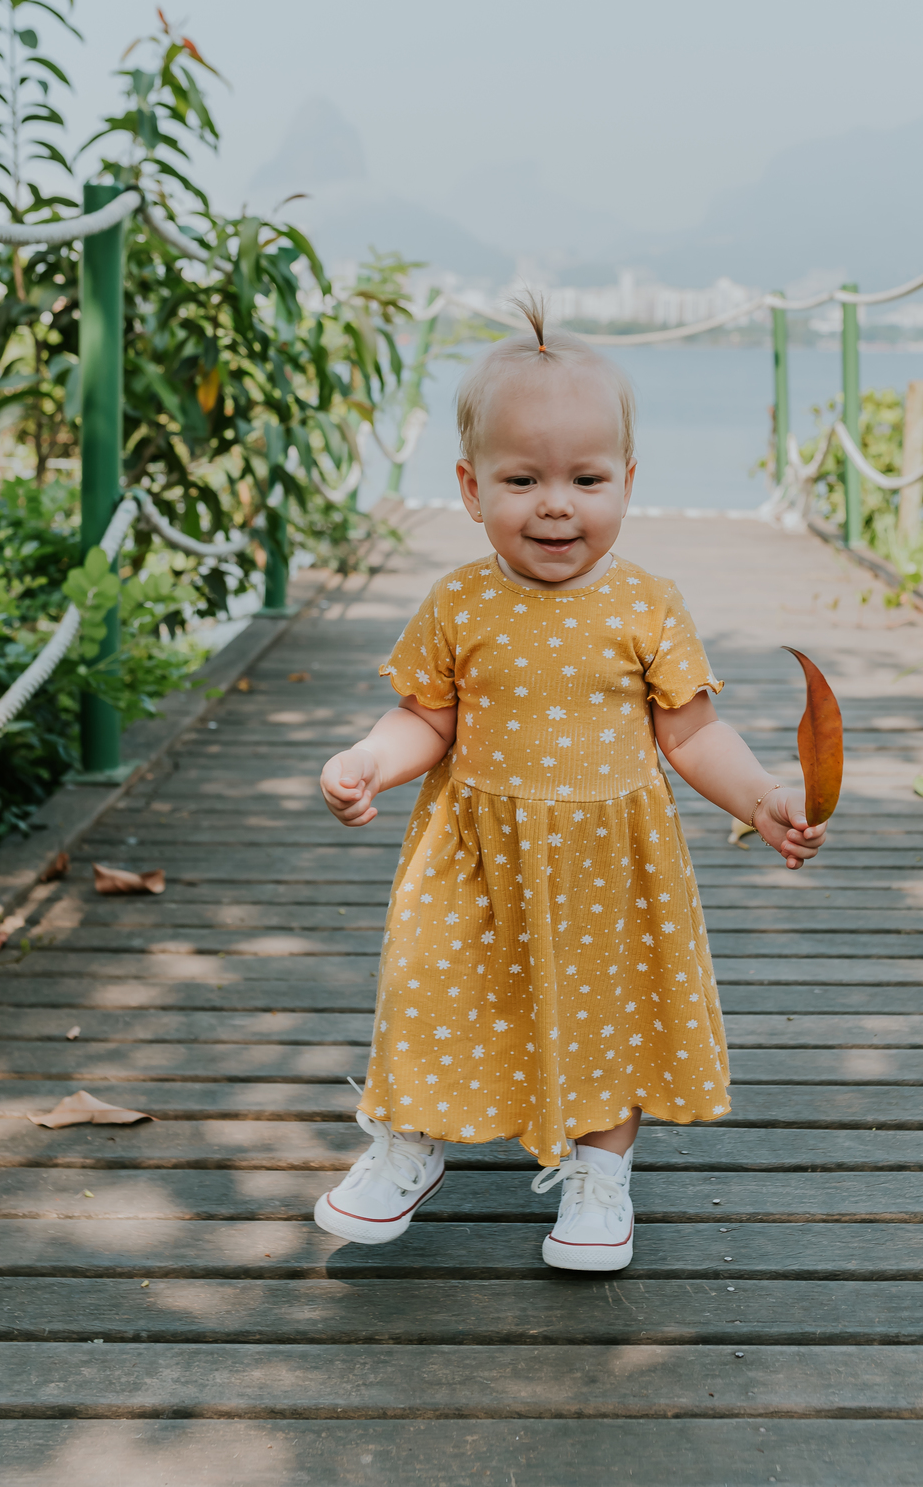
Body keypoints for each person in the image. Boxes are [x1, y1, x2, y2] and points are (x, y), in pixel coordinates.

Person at [315, 297, 828, 1270]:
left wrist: (763, 797)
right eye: (523, 479)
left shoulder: (646, 605)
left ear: (627, 482)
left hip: (607, 863)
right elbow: (426, 717)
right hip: (474, 858)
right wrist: (369, 760)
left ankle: (600, 1176)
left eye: (586, 480)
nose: (556, 505)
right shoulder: (458, 603)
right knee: (435, 991)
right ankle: (408, 1142)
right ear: (471, 488)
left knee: (608, 1012)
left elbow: (691, 731)